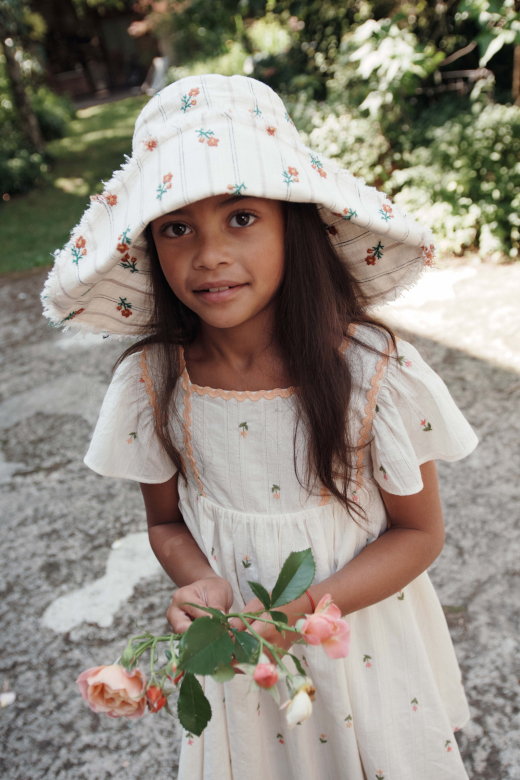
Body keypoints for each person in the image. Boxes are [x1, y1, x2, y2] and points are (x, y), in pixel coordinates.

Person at [42, 74, 478, 780]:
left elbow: (419, 531)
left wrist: (302, 611)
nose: (208, 255)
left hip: (357, 640)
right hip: (246, 664)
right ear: (151, 245)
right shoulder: (154, 381)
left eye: (240, 216)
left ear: (293, 223)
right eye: (177, 227)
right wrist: (199, 581)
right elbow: (165, 524)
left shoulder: (371, 372)